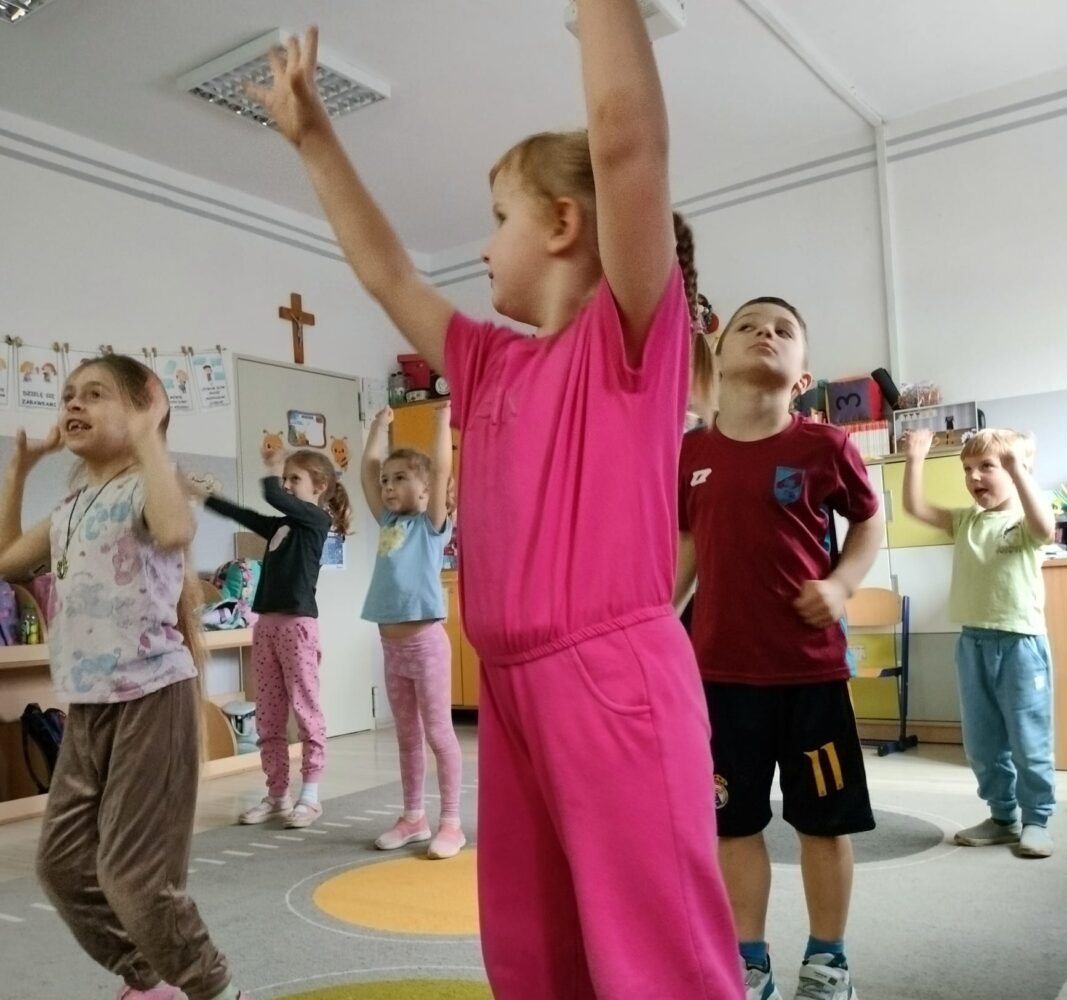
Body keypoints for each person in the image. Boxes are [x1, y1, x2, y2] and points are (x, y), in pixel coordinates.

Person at [248, 7, 742, 997]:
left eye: (498, 216)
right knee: (536, 947)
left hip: (611, 681)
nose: (481, 245)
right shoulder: (483, 364)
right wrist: (313, 138)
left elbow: (627, 141)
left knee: (654, 953)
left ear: (562, 224)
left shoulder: (628, 339)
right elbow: (385, 271)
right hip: (514, 689)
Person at [0, 354, 248, 1000]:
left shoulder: (145, 487)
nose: (73, 404)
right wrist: (19, 472)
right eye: (68, 395)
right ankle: (150, 980)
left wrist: (148, 439)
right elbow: (6, 563)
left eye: (94, 394)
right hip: (87, 708)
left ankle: (215, 989)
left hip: (151, 700)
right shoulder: (70, 508)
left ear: (144, 406)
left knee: (135, 878)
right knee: (60, 869)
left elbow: (174, 528)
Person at [677, 299, 884, 1000]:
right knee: (732, 824)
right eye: (748, 325)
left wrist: (842, 584)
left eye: (783, 330)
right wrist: (654, 619)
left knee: (824, 823)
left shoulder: (825, 446)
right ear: (718, 356)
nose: (765, 332)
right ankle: (749, 960)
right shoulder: (691, 454)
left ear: (802, 376)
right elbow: (685, 546)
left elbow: (868, 523)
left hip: (809, 675)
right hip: (719, 676)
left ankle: (828, 960)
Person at [903, 427, 1055, 858]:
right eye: (968, 469)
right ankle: (1003, 816)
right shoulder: (966, 520)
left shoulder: (1024, 522)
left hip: (1020, 645)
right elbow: (915, 507)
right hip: (972, 644)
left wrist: (1017, 470)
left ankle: (1036, 819)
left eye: (987, 466)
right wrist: (915, 458)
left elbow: (1046, 529)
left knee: (1028, 740)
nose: (974, 477)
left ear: (1018, 469)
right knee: (983, 742)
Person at [199, 446, 350, 829]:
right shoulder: (283, 525)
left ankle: (310, 795)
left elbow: (272, 496)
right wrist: (205, 497)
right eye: (285, 479)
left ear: (320, 486)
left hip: (297, 628)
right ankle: (277, 794)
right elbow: (245, 515)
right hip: (265, 627)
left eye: (294, 479)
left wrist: (271, 470)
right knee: (268, 716)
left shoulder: (316, 520)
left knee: (306, 711)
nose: (285, 485)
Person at [360, 402, 465, 859]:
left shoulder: (430, 526)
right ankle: (413, 817)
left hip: (425, 647)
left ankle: (451, 823)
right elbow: (367, 469)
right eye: (387, 480)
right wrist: (377, 428)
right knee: (406, 735)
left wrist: (442, 423)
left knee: (438, 732)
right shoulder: (388, 522)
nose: (387, 485)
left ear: (426, 493)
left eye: (400, 478)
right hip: (391, 649)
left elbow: (441, 469)